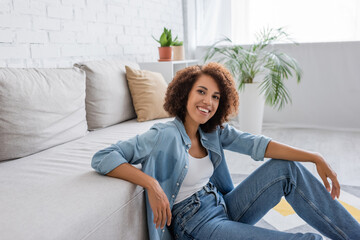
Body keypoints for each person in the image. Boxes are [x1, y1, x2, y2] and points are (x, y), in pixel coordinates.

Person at [92, 63, 360, 240]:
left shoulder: (212, 131)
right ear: (184, 93)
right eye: (201, 91)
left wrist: (315, 157)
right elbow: (103, 157)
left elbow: (258, 144)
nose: (208, 101)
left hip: (222, 205)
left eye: (216, 96)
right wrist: (151, 184)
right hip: (195, 225)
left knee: (286, 169)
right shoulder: (162, 135)